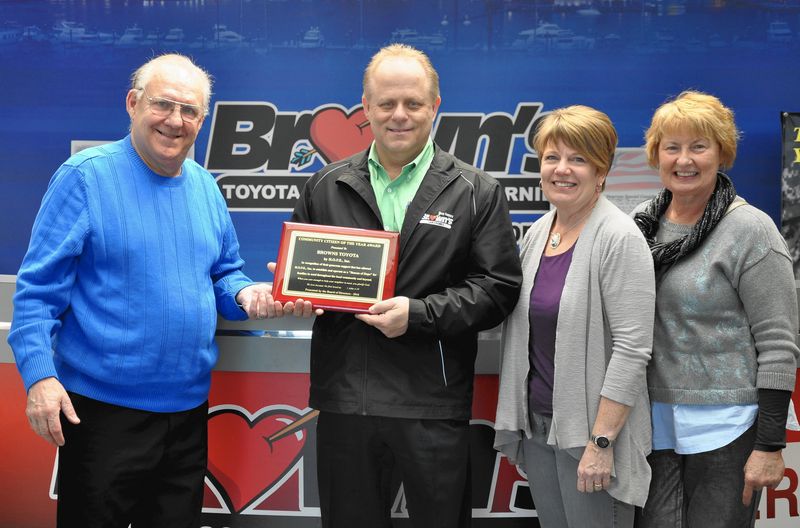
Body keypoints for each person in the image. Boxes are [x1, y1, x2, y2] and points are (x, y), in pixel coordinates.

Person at [8, 53, 313, 528]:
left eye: (189, 111)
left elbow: (224, 273)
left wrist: (245, 295)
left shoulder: (206, 188)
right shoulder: (84, 178)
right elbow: (35, 293)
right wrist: (40, 378)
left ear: (203, 120)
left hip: (187, 414)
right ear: (133, 103)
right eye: (163, 105)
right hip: (100, 415)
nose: (175, 121)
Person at [289, 43, 522, 528]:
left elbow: (498, 288)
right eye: (386, 103)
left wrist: (418, 315)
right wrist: (295, 293)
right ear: (366, 108)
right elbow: (305, 282)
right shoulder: (324, 186)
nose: (399, 115)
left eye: (413, 103)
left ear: (434, 106)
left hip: (430, 402)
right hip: (345, 401)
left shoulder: (477, 191)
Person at [631, 91, 799, 528]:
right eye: (672, 147)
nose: (684, 160)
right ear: (656, 154)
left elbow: (779, 346)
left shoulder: (751, 230)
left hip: (729, 428)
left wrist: (769, 445)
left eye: (698, 146)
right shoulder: (638, 225)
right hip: (650, 424)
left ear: (722, 153)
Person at [494, 105, 656, 527]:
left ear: (602, 171)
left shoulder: (620, 238)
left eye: (578, 159)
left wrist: (602, 442)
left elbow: (632, 350)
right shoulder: (537, 233)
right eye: (552, 157)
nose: (562, 169)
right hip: (540, 428)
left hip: (592, 437)